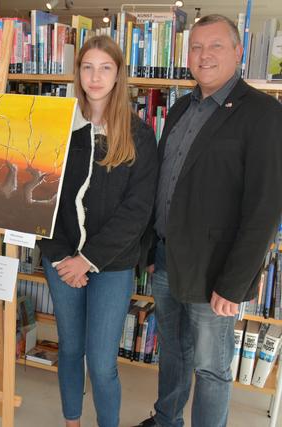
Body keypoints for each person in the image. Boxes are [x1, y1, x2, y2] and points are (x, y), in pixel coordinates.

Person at [135, 15, 282, 427]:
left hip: (216, 272)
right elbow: (163, 180)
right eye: (197, 47)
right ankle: (167, 420)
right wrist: (151, 248)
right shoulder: (182, 106)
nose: (204, 55)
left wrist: (234, 284)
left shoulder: (263, 114)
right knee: (174, 355)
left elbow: (265, 208)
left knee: (211, 368)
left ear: (238, 51)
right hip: (166, 260)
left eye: (216, 45)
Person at [37, 35, 158, 427]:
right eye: (88, 66)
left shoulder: (139, 135)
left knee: (102, 362)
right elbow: (38, 196)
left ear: (119, 74)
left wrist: (87, 260)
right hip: (61, 260)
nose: (96, 76)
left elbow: (137, 211)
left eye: (105, 67)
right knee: (71, 349)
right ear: (78, 73)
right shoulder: (57, 127)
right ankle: (72, 421)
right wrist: (60, 256)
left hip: (113, 264)